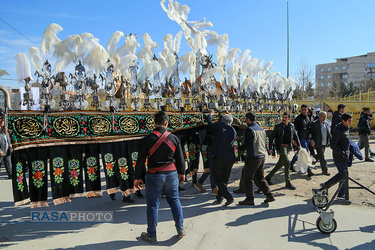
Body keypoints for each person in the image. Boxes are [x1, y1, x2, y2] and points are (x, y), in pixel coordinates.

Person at [134, 111, 186, 244]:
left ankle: (152, 234)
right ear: (166, 123)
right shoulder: (174, 138)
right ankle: (180, 229)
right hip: (172, 174)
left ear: (154, 123)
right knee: (174, 200)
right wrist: (182, 173)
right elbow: (180, 158)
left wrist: (137, 177)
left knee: (152, 205)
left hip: (154, 175)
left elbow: (140, 160)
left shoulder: (147, 139)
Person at [238, 112, 275, 205]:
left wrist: (238, 148)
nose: (245, 121)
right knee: (260, 177)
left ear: (248, 119)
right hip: (262, 156)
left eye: (246, 119)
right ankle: (269, 195)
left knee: (248, 178)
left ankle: (249, 199)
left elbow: (248, 145)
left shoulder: (249, 129)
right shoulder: (261, 129)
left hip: (253, 157)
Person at [320, 113, 352, 201]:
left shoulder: (346, 129)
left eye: (351, 120)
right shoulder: (339, 130)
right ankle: (338, 192)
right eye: (349, 120)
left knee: (343, 174)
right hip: (339, 156)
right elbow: (333, 144)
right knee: (343, 174)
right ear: (343, 121)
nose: (351, 122)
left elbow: (347, 142)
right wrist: (342, 153)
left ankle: (329, 187)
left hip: (345, 156)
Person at [207, 109, 237, 206]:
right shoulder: (233, 130)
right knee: (224, 179)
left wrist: (210, 114)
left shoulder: (219, 126)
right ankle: (219, 198)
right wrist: (229, 115)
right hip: (229, 158)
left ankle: (229, 197)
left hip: (219, 157)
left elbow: (210, 122)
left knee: (217, 179)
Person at [266, 112, 301, 190]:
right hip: (281, 147)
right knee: (287, 163)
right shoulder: (278, 126)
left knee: (280, 164)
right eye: (283, 117)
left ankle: (268, 177)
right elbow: (271, 137)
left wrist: (299, 145)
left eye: (286, 118)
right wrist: (270, 147)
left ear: (289, 118)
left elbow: (295, 136)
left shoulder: (292, 126)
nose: (284, 119)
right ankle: (288, 182)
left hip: (288, 147)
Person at [290, 104, 315, 177]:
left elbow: (309, 129)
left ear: (307, 110)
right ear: (301, 110)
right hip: (301, 138)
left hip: (306, 138)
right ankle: (309, 170)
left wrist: (310, 138)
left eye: (305, 110)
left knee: (299, 153)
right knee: (305, 153)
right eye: (302, 110)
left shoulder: (308, 118)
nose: (304, 111)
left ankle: (291, 165)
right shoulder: (298, 119)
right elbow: (294, 130)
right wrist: (295, 140)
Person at [310, 111, 331, 175]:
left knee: (319, 156)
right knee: (322, 157)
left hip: (324, 143)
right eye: (323, 116)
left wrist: (331, 140)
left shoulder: (326, 123)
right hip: (318, 142)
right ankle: (325, 170)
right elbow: (311, 133)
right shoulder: (314, 123)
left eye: (325, 116)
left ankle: (310, 163)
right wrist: (311, 140)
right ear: (319, 116)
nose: (324, 118)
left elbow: (328, 133)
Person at [0, 110, 12, 179]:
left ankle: (10, 175)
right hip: (1, 151)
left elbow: (8, 140)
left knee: (8, 164)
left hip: (7, 150)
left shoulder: (6, 133)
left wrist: (10, 145)